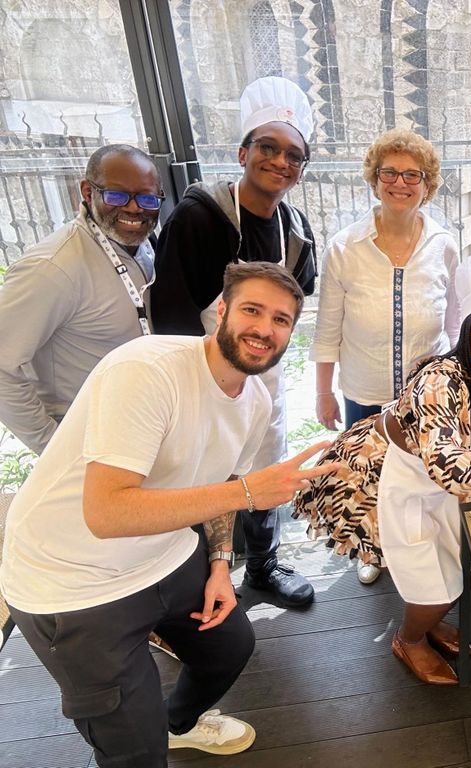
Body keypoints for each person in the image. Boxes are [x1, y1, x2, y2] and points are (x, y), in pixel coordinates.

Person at [0, 262, 341, 767]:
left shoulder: (255, 400)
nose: (264, 329)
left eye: (281, 320)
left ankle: (177, 725)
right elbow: (106, 513)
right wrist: (249, 492)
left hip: (167, 552)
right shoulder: (147, 370)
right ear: (221, 311)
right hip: (72, 582)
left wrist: (221, 565)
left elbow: (225, 485)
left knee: (229, 648)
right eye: (251, 310)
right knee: (135, 752)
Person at [294, 250, 471, 685]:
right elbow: (446, 464)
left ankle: (427, 625)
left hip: (435, 483)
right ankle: (408, 639)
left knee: (464, 565)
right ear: (466, 330)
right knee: (432, 584)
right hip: (390, 476)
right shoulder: (439, 381)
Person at [151, 76, 318, 607]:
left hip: (264, 381)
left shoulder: (295, 228)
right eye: (268, 147)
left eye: (293, 155)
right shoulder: (199, 218)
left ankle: (262, 567)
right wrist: (191, 390)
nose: (280, 161)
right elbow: (172, 315)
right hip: (199, 378)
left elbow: (299, 299)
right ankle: (195, 583)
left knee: (265, 466)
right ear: (243, 153)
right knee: (200, 475)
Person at [310, 130, 459, 585]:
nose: (400, 183)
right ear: (374, 180)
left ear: (428, 185)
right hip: (365, 389)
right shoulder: (344, 248)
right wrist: (323, 392)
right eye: (388, 173)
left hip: (425, 396)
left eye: (412, 175)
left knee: (422, 473)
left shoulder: (444, 245)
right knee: (368, 476)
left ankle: (421, 545)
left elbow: (456, 323)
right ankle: (372, 550)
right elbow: (327, 326)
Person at [0, 144, 160, 454]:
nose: (134, 208)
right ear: (87, 192)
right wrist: (55, 447)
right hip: (90, 443)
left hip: (142, 427)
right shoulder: (52, 267)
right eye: (117, 196)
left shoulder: (142, 245)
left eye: (147, 199)